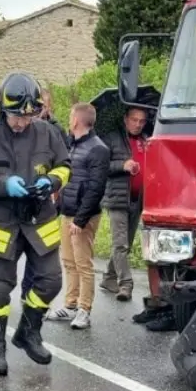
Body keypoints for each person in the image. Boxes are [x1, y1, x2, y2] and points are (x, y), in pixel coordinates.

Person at [0, 72, 70, 375]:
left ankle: (28, 332)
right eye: (15, 116)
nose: (22, 122)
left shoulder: (47, 133)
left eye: (28, 116)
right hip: (1, 225)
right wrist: (2, 185)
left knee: (51, 281)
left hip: (38, 221)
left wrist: (51, 180)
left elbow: (65, 165)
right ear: (2, 109)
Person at [47, 103, 108, 330]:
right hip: (67, 212)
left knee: (83, 264)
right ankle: (70, 305)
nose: (69, 120)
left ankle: (84, 309)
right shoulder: (71, 145)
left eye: (71, 116)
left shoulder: (97, 149)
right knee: (69, 262)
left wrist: (81, 220)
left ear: (76, 121)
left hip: (84, 216)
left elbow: (96, 188)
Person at [100, 106, 149, 302]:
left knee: (125, 244)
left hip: (138, 199)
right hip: (117, 198)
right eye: (134, 120)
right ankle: (126, 284)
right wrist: (122, 165)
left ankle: (109, 277)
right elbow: (100, 166)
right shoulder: (112, 139)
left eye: (141, 121)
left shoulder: (146, 140)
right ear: (125, 119)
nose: (137, 124)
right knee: (120, 244)